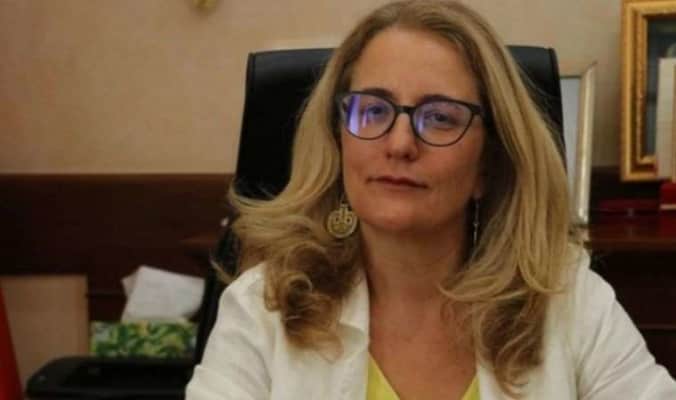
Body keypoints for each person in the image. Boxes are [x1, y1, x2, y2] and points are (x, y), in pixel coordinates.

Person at [186, 1, 676, 399]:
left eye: (440, 117)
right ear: (338, 142)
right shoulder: (263, 308)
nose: (399, 143)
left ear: (488, 165)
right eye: (373, 110)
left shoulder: (568, 302)